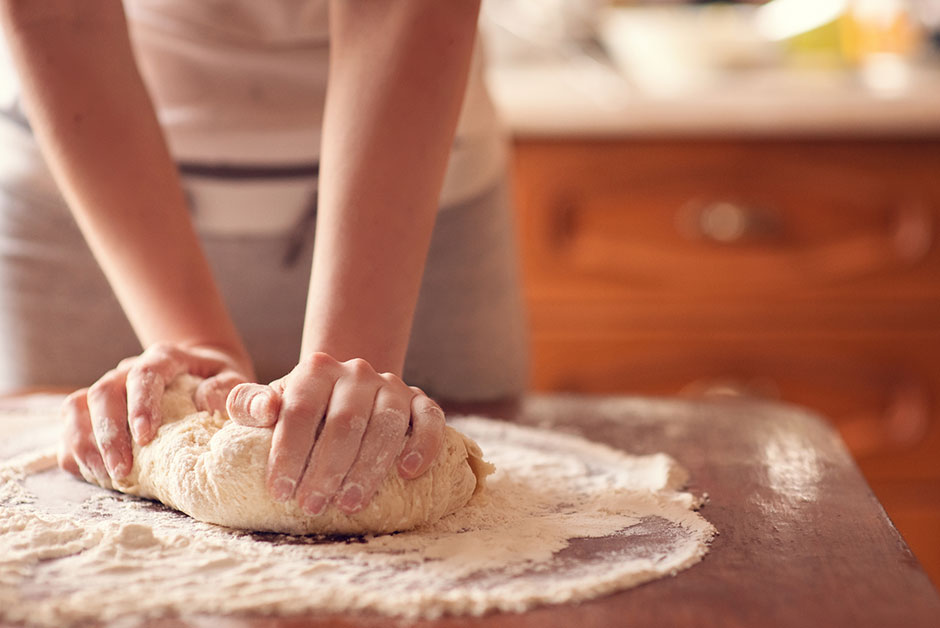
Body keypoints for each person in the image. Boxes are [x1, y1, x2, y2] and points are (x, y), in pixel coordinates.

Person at [0, 0, 527, 516]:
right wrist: (194, 346)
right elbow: (59, 12)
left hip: (412, 192)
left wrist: (343, 381)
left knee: (392, 446)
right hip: (98, 190)